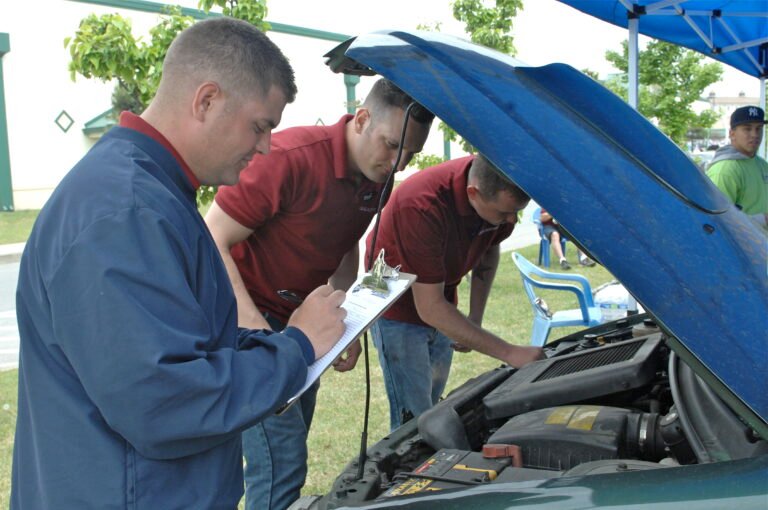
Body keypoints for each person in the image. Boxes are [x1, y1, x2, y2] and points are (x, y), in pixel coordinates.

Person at [11, 18, 349, 509]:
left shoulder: (152, 192)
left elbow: (186, 338)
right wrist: (294, 348)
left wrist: (268, 344)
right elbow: (164, 401)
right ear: (206, 100)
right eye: (260, 126)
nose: (265, 147)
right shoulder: (125, 210)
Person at [204, 78, 434, 510]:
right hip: (249, 321)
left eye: (411, 154)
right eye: (391, 145)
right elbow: (212, 237)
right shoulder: (288, 159)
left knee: (292, 440)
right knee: (281, 458)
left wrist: (342, 320)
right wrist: (263, 338)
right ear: (362, 119)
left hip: (301, 322)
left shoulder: (372, 176)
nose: (398, 163)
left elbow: (345, 240)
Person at [365, 154, 545, 431]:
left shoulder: (491, 182)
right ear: (472, 193)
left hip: (438, 295)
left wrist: (475, 315)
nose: (511, 220)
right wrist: (509, 352)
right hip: (394, 301)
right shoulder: (422, 204)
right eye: (503, 213)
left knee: (433, 406)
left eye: (516, 213)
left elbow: (489, 247)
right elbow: (430, 308)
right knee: (414, 418)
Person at [706, 105, 768, 230]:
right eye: (747, 129)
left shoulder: (761, 163)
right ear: (732, 133)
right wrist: (763, 219)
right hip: (745, 248)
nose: (754, 135)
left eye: (759, 128)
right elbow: (719, 222)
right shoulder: (724, 170)